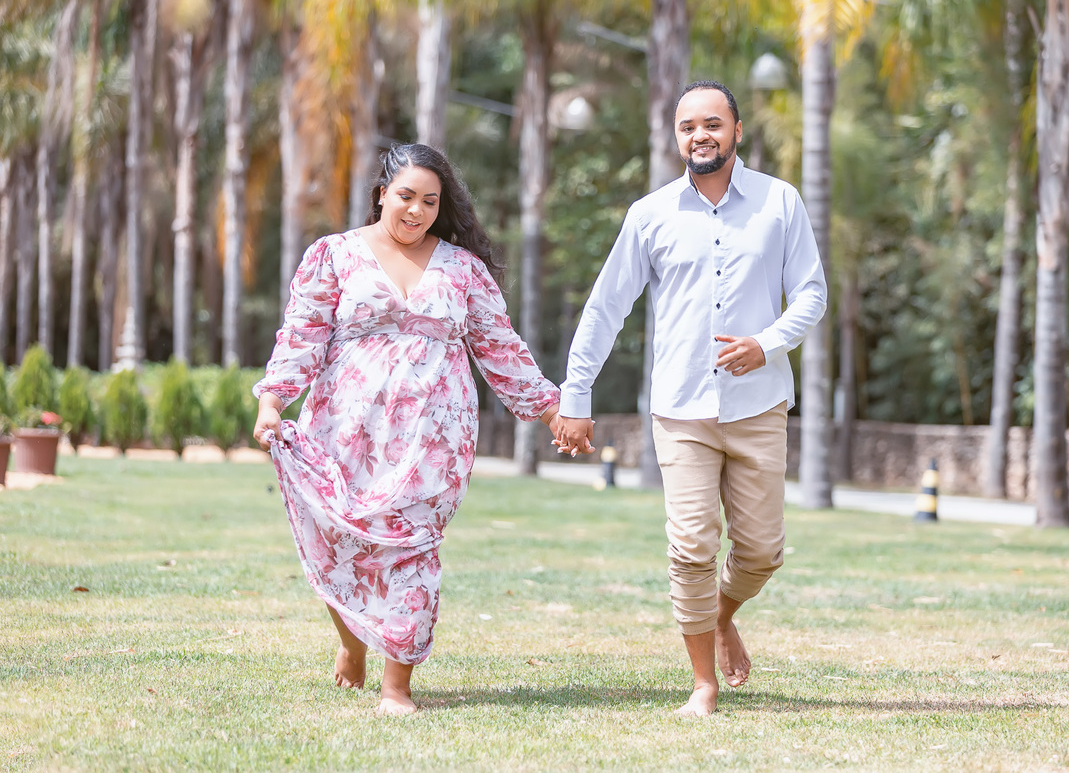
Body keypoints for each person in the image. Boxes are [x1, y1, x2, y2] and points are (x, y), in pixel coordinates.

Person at [252, 143, 562, 716]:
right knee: (343, 541)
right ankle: (353, 642)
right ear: (381, 194)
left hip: (433, 436)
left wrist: (551, 409)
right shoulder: (334, 255)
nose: (417, 211)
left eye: (430, 202)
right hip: (344, 427)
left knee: (414, 548)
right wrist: (272, 401)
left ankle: (397, 687)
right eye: (406, 197)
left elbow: (500, 348)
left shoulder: (462, 269)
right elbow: (301, 334)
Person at [555, 81, 827, 716]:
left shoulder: (779, 202)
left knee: (761, 553)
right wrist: (576, 393)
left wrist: (767, 342)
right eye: (687, 127)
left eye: (712, 124)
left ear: (736, 131)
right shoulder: (650, 214)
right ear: (676, 136)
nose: (700, 135)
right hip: (680, 409)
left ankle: (721, 615)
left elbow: (811, 292)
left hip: (759, 404)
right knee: (692, 547)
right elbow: (606, 307)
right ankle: (703, 683)